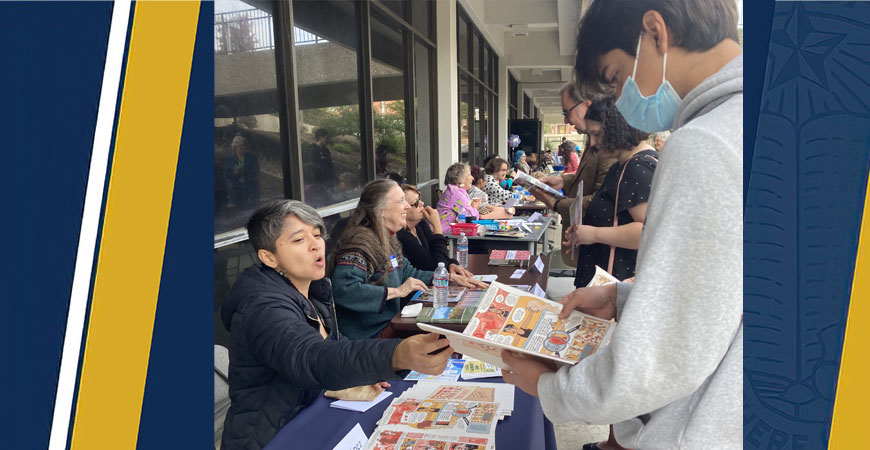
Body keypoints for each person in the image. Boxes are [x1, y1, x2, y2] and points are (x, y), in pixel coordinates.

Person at [501, 1, 743, 449]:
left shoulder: (705, 145)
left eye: (615, 76)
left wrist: (551, 388)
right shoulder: (754, 122)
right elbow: (721, 296)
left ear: (656, 32)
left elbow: (664, 355)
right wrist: (624, 296)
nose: (622, 97)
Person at [220, 200, 453, 450]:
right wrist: (396, 355)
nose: (315, 245)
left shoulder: (311, 288)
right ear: (269, 257)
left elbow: (333, 343)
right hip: (271, 438)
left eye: (317, 234)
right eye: (299, 240)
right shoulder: (262, 308)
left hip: (312, 416)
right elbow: (311, 356)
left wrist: (363, 371)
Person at [330, 180, 483, 339]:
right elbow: (343, 289)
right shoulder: (360, 244)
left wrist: (446, 277)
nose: (408, 206)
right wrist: (397, 291)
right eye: (401, 201)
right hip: (371, 337)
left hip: (392, 323)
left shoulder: (387, 238)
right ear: (381, 209)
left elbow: (407, 272)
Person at [564, 97, 657, 287]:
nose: (593, 143)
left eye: (597, 134)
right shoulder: (623, 165)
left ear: (618, 128)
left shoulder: (637, 167)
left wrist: (594, 234)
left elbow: (645, 231)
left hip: (615, 282)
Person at [397, 184, 471, 275]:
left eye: (420, 199)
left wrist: (451, 264)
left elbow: (437, 254)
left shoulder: (420, 224)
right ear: (404, 209)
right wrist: (437, 227)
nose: (422, 204)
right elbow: (434, 266)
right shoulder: (402, 236)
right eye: (416, 203)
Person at [223, 135, 261, 209]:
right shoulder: (229, 158)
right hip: (236, 191)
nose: (242, 148)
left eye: (244, 146)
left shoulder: (251, 158)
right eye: (240, 146)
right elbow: (227, 174)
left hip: (250, 190)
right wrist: (235, 174)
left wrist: (243, 172)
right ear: (235, 147)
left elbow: (256, 172)